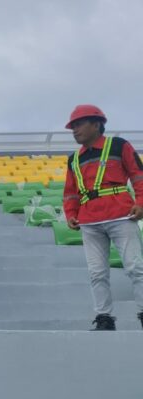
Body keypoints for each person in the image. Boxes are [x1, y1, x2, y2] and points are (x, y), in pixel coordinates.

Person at [63, 104, 143, 331]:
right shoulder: (73, 159)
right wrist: (71, 214)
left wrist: (141, 203)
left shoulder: (119, 146)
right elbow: (70, 191)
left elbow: (139, 176)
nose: (74, 130)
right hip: (89, 222)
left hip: (121, 215)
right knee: (96, 272)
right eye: (73, 126)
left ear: (96, 124)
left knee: (135, 267)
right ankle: (104, 318)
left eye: (79, 124)